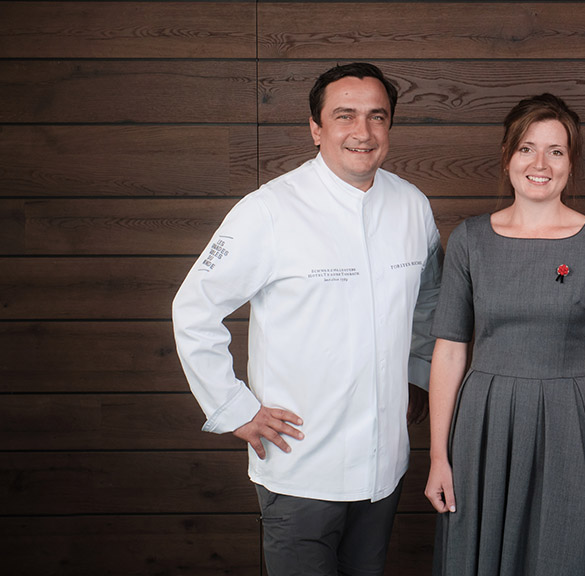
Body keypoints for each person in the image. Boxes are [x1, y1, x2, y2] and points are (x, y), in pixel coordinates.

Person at [171, 62, 442, 576]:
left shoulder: (413, 206)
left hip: (385, 465)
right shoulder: (268, 210)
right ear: (316, 129)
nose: (362, 133)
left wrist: (417, 376)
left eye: (376, 117)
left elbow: (429, 301)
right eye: (344, 116)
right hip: (300, 469)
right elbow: (194, 309)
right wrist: (234, 408)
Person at [425, 93, 585, 576]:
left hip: (570, 423)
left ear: (570, 163)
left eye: (556, 151)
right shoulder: (470, 239)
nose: (540, 163)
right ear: (507, 156)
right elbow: (451, 351)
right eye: (526, 148)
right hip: (484, 423)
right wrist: (439, 456)